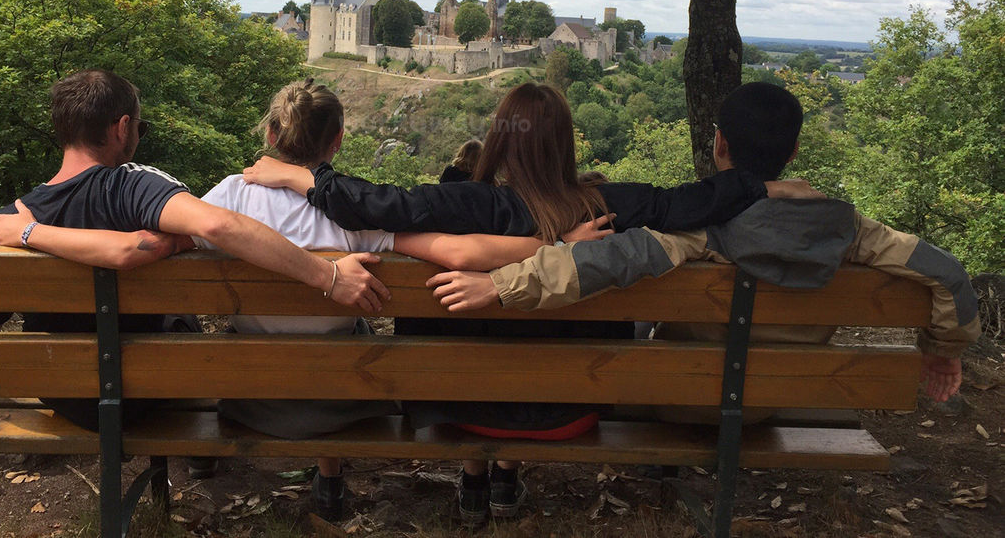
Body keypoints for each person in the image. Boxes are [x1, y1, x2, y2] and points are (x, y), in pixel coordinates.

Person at [0, 78, 578, 520]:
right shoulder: (352, 219)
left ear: (270, 136)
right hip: (344, 401)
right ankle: (332, 480)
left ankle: (270, 471)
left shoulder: (225, 197)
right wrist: (557, 241)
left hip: (253, 400)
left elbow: (158, 242)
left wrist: (38, 234)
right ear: (339, 140)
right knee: (351, 339)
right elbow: (457, 250)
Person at [241, 82, 823, 521]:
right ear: (565, 144)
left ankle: (475, 478)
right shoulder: (607, 206)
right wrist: (762, 185)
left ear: (498, 138)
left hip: (458, 407)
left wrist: (305, 181)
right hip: (574, 411)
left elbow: (382, 205)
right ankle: (501, 479)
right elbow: (691, 203)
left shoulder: (464, 205)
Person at [426, 82, 982, 407]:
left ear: (718, 146)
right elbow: (947, 273)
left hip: (686, 400)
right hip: (787, 395)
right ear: (792, 154)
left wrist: (496, 285)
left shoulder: (699, 230)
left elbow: (595, 263)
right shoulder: (854, 231)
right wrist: (943, 351)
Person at [0, 70, 391, 443]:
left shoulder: (7, 223)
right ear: (122, 127)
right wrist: (328, 276)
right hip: (149, 391)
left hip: (66, 395)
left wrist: (29, 232)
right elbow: (215, 226)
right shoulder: (136, 188)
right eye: (140, 128)